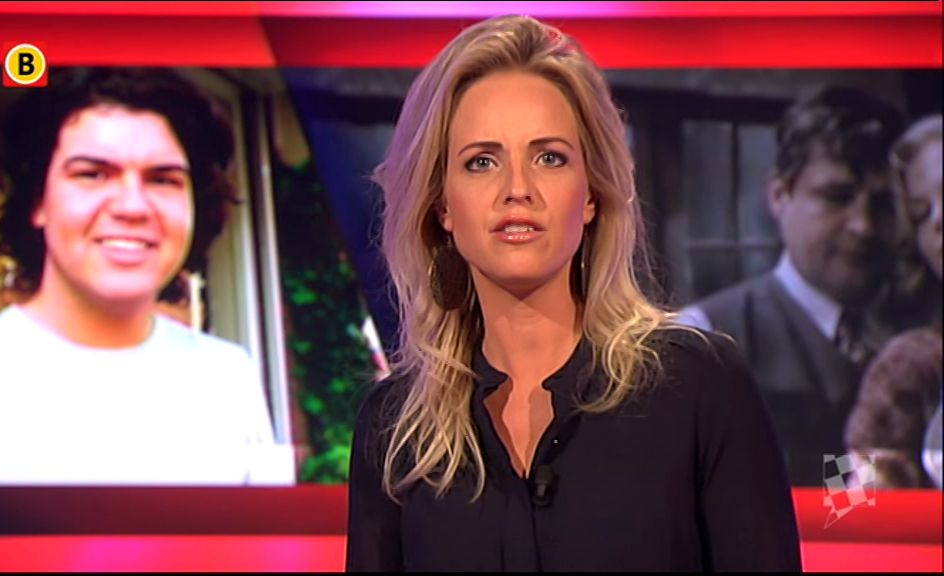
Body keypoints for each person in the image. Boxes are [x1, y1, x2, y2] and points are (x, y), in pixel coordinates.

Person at [346, 15, 800, 571]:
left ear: (590, 196)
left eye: (549, 157)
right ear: (442, 205)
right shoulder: (395, 428)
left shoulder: (698, 386)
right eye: (482, 162)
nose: (518, 189)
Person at [0, 68, 276, 485]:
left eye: (163, 179)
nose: (132, 206)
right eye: (92, 174)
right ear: (37, 201)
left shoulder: (228, 378)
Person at [679, 86, 905, 486]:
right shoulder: (702, 339)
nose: (864, 226)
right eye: (837, 197)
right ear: (780, 195)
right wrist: (851, 492)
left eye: (883, 203)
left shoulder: (913, 332)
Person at [845, 114, 942, 489]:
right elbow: (838, 499)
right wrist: (865, 482)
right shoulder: (909, 364)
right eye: (921, 213)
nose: (938, 221)